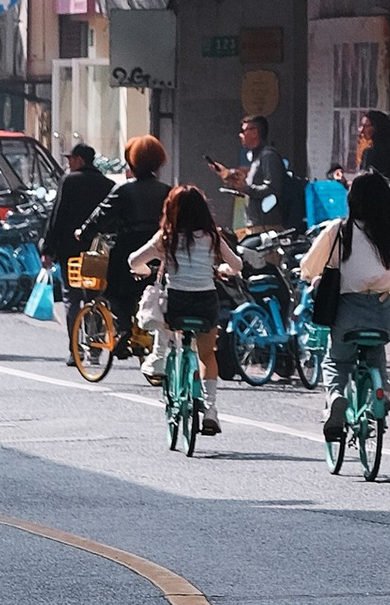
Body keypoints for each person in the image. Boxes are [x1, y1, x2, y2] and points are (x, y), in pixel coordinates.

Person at [307, 162, 390, 447]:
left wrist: (311, 279)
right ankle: (381, 395)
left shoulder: (340, 231)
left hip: (347, 314)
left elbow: (309, 265)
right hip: (384, 315)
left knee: (337, 360)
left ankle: (336, 397)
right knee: (376, 354)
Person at [130, 183, 240, 432]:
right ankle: (210, 409)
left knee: (162, 314)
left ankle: (159, 358)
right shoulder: (212, 237)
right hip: (206, 304)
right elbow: (237, 264)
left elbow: (134, 260)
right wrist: (224, 269)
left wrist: (143, 270)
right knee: (206, 355)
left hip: (177, 304)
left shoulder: (167, 237)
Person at [82, 133, 170, 340]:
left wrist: (84, 232)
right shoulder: (168, 191)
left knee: (116, 292)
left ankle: (123, 329)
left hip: (128, 246)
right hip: (159, 246)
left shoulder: (123, 189)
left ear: (132, 161)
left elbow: (101, 215)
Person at [209, 113, 305, 239]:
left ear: (254, 133)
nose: (240, 135)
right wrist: (227, 175)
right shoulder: (256, 158)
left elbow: (272, 190)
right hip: (255, 227)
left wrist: (246, 188)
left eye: (244, 131)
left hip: (268, 229)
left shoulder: (268, 156)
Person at [39, 143, 110, 306]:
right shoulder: (107, 184)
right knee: (95, 293)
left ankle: (74, 330)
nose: (68, 163)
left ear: (80, 160)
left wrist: (48, 248)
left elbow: (57, 216)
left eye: (70, 159)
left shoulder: (69, 181)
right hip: (97, 250)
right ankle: (95, 327)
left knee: (72, 294)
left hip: (70, 248)